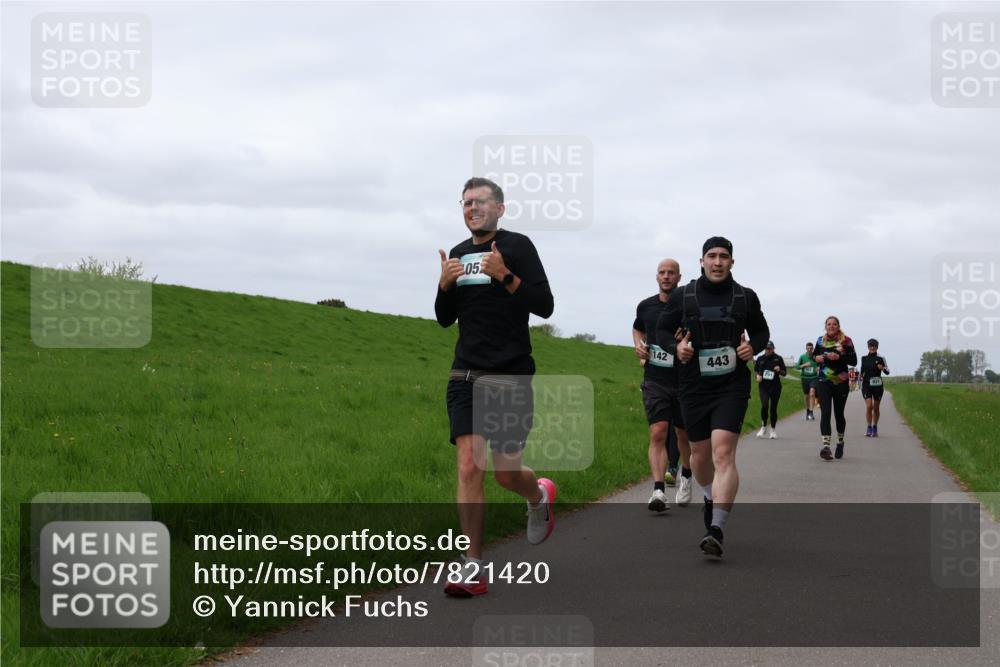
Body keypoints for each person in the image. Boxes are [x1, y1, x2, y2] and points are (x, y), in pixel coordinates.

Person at [435, 177, 556, 597]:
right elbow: (444, 318)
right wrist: (444, 285)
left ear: (500, 209)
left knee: (506, 475)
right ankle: (472, 565)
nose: (471, 208)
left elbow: (544, 305)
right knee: (470, 464)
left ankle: (538, 495)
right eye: (465, 202)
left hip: (510, 376)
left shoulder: (518, 247)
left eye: (480, 202)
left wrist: (505, 275)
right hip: (465, 375)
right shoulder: (457, 253)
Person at [656, 237, 770, 557]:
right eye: (712, 256)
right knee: (700, 457)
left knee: (723, 454)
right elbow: (663, 332)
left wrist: (753, 347)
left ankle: (716, 527)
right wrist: (676, 348)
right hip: (693, 385)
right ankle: (709, 494)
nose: (718, 262)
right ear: (702, 261)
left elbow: (761, 332)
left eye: (724, 257)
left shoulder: (745, 297)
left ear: (732, 262)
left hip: (731, 386)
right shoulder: (684, 296)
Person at [633, 259, 694, 512]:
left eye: (671, 273)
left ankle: (687, 476)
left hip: (683, 380)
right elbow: (638, 329)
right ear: (656, 277)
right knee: (658, 432)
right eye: (662, 273)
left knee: (682, 435)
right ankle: (658, 490)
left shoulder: (688, 308)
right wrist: (639, 346)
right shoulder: (646, 306)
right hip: (655, 380)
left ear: (679, 277)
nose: (666, 276)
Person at [813, 316, 858, 461]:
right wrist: (817, 359)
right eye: (829, 324)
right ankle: (826, 446)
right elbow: (815, 356)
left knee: (839, 414)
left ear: (838, 326)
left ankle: (840, 442)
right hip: (823, 380)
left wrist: (838, 357)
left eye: (834, 324)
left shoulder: (846, 341)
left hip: (841, 381)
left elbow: (853, 361)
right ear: (825, 326)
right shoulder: (820, 340)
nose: (831, 326)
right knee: (825, 412)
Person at [754, 341, 787, 439]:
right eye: (766, 348)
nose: (768, 350)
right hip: (763, 386)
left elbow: (785, 373)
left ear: (773, 349)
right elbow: (755, 370)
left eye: (770, 349)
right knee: (764, 405)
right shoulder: (760, 359)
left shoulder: (778, 358)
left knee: (773, 409)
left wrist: (779, 370)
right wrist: (757, 376)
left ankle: (773, 430)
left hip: (775, 386)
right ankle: (763, 427)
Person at [860, 338, 890, 437]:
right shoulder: (864, 358)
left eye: (874, 346)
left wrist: (883, 368)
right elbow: (862, 371)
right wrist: (859, 376)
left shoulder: (881, 358)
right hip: (866, 385)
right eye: (870, 346)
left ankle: (875, 427)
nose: (872, 347)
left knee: (876, 408)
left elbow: (887, 371)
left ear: (877, 347)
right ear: (868, 347)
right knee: (869, 406)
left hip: (877, 386)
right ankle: (869, 427)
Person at [797, 342, 819, 420]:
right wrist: (804, 365)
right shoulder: (802, 357)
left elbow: (820, 365)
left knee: (812, 393)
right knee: (806, 396)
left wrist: (818, 368)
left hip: (814, 377)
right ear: (806, 349)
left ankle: (811, 411)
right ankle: (807, 410)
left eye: (811, 348)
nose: (809, 350)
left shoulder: (815, 357)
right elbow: (797, 367)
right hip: (805, 378)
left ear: (812, 349)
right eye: (808, 348)